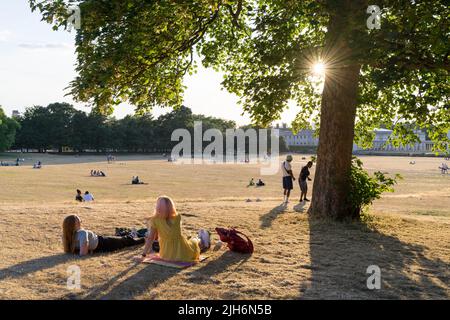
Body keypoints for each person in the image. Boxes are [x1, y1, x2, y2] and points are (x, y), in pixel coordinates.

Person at [141, 196, 210, 262]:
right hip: (182, 250)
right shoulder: (177, 217)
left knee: (194, 242)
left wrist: (144, 254)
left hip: (166, 255)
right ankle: (202, 239)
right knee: (194, 243)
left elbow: (151, 238)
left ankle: (201, 239)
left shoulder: (155, 220)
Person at [62, 215, 145, 256]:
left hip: (102, 241)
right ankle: (141, 237)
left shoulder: (65, 236)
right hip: (103, 244)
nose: (81, 223)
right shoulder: (82, 233)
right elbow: (83, 253)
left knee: (125, 241)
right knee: (126, 241)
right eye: (80, 221)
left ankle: (142, 238)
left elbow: (76, 251)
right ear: (75, 224)